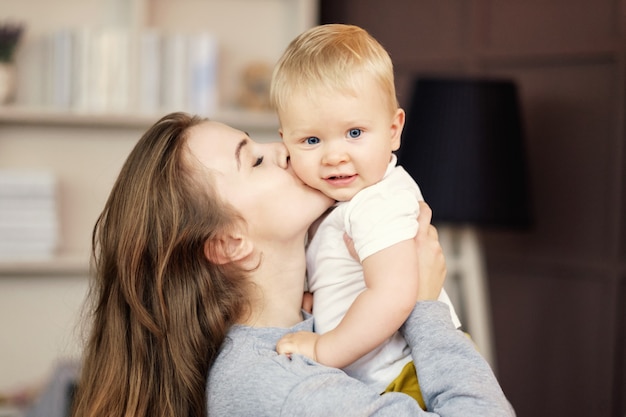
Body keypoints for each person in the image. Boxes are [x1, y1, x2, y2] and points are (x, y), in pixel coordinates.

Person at [70, 112, 514, 417]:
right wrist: (422, 304)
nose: (284, 149)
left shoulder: (313, 327)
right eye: (255, 160)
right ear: (227, 243)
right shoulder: (285, 389)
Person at [270, 23, 461, 406]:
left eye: (354, 133)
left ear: (393, 130)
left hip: (409, 375)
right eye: (311, 140)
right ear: (285, 144)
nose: (334, 155)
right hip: (378, 378)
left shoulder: (378, 202)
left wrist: (324, 349)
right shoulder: (340, 203)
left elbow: (393, 296)